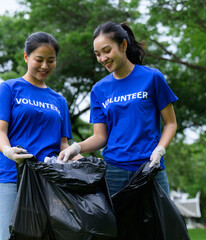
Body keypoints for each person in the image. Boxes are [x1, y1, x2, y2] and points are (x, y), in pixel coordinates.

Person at [58, 21, 178, 196]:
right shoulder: (99, 90)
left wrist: (159, 150)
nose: (102, 58)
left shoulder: (152, 78)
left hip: (151, 167)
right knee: (115, 224)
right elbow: (100, 137)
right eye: (98, 54)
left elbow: (170, 123)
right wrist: (75, 148)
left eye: (107, 51)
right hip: (114, 172)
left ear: (123, 45)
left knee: (160, 223)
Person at [0, 32, 74, 240]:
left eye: (50, 61)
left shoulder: (59, 100)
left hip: (47, 181)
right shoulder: (9, 88)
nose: (45, 66)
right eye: (39, 59)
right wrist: (7, 150)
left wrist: (81, 160)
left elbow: (63, 144)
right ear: (26, 57)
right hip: (12, 175)